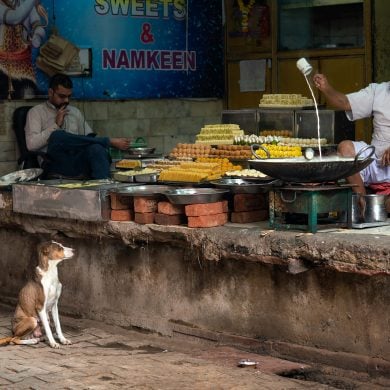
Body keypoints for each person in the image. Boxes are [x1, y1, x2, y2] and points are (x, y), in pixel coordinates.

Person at [25, 73, 130, 179]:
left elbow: (89, 138)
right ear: (50, 92)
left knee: (96, 148)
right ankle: (107, 141)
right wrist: (56, 125)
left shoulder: (75, 112)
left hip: (77, 161)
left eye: (69, 96)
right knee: (57, 136)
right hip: (53, 162)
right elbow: (31, 145)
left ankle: (104, 191)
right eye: (62, 96)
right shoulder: (36, 112)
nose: (66, 100)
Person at [313, 73, 390, 200]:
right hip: (376, 161)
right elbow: (344, 102)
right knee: (345, 148)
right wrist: (326, 87)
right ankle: (362, 201)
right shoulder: (378, 91)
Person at [0, 0, 47, 99]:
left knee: (28, 97)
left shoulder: (24, 3)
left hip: (24, 66)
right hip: (1, 66)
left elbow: (38, 25)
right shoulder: (27, 4)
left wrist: (37, 35)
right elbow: (14, 18)